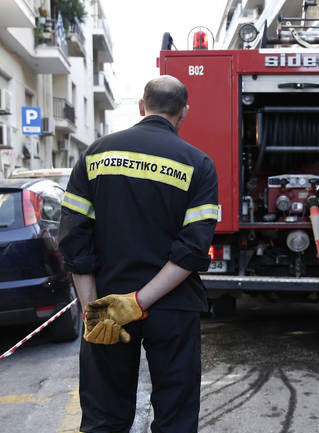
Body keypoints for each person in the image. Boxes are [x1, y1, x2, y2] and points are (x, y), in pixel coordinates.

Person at [58, 75, 219, 433]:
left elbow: (73, 237)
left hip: (105, 303)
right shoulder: (198, 164)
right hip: (173, 308)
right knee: (175, 417)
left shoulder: (96, 154)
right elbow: (193, 249)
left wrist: (93, 311)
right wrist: (138, 302)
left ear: (141, 106)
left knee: (104, 418)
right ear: (184, 113)